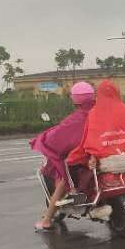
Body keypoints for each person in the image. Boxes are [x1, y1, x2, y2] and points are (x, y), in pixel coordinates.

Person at [67, 80, 125, 214]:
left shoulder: (95, 112)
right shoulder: (124, 109)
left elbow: (91, 138)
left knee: (71, 163)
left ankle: (80, 198)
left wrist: (91, 155)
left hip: (104, 158)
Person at [32, 81, 97, 231]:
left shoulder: (77, 118)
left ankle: (47, 220)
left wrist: (41, 139)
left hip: (84, 158)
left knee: (63, 176)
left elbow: (58, 138)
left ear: (75, 99)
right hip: (101, 154)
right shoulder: (101, 113)